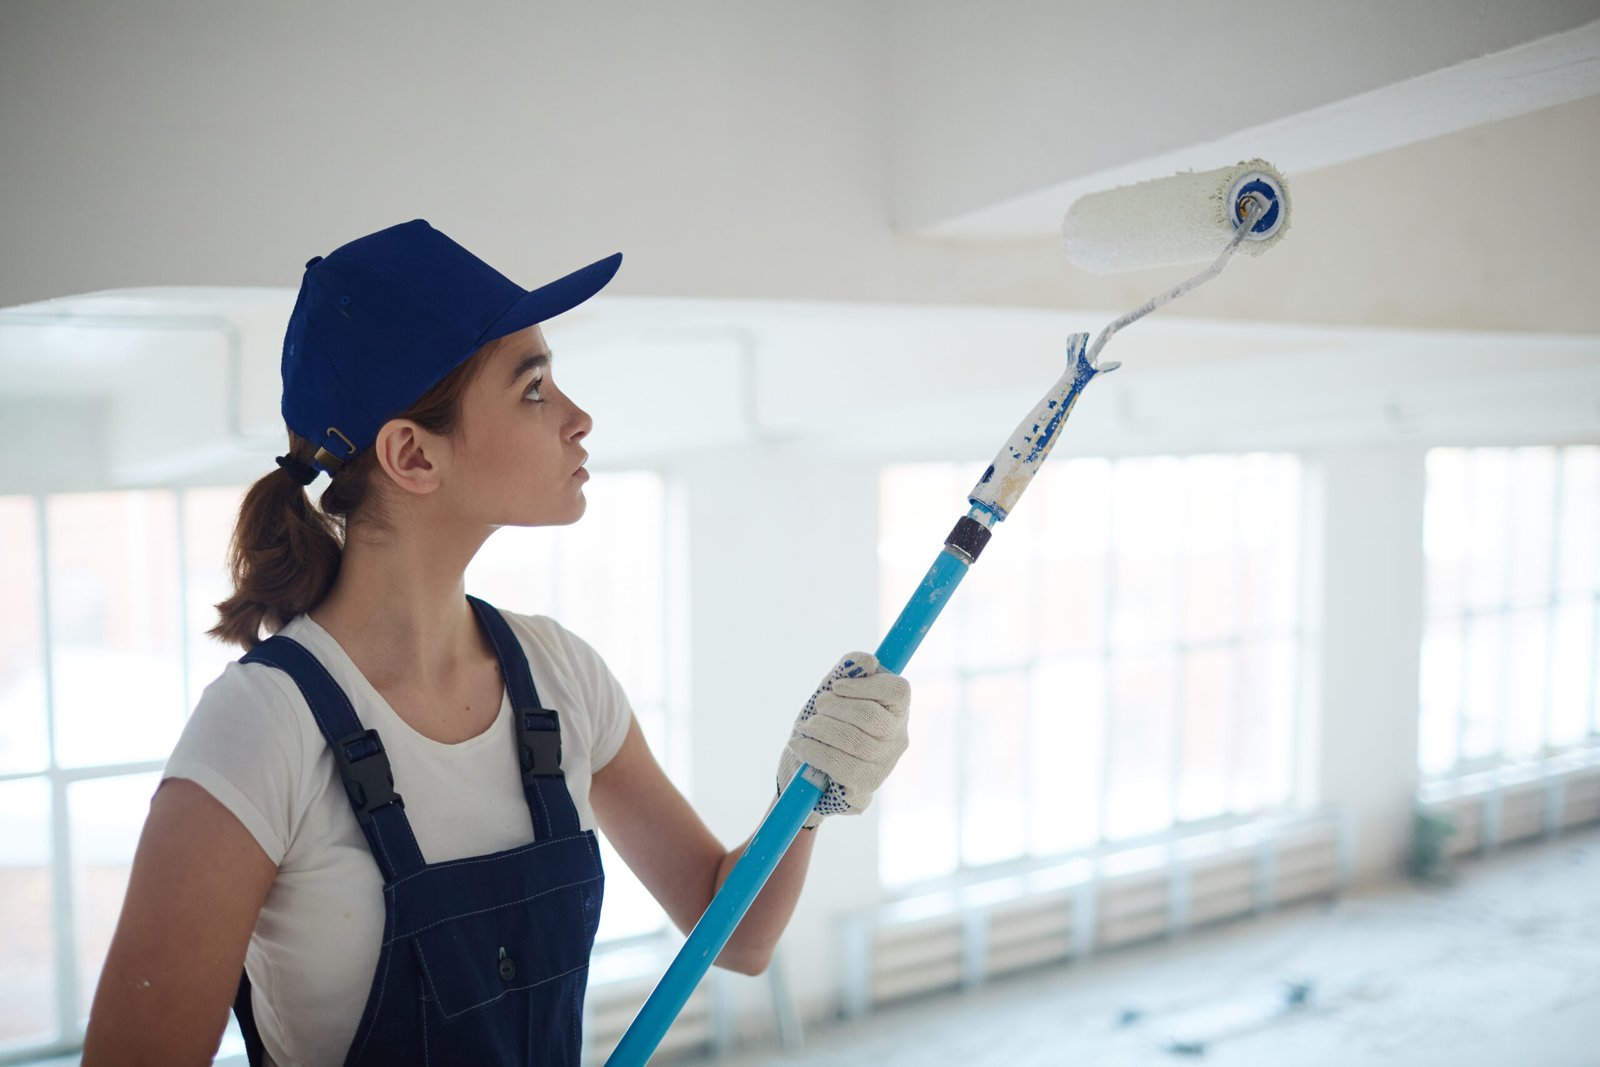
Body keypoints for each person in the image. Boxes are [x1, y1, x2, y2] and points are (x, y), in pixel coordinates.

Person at [81, 220, 912, 1066]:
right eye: (534, 389)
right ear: (412, 454)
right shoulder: (261, 730)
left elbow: (732, 934)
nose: (580, 418)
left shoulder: (561, 677)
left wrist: (806, 794)